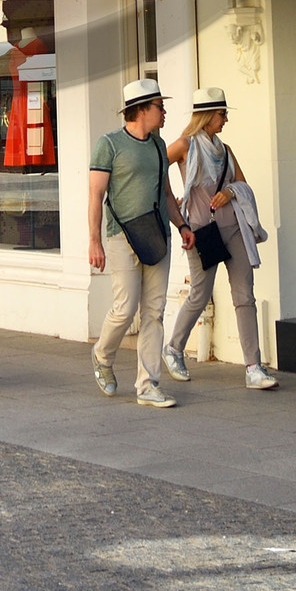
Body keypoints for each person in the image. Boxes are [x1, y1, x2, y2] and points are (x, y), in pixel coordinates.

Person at [88, 79, 194, 408]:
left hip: (157, 234)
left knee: (154, 312)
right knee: (124, 308)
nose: (164, 112)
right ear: (142, 109)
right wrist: (95, 241)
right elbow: (96, 195)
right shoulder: (110, 144)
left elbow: (165, 193)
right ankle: (102, 357)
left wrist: (181, 225)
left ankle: (148, 384)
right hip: (121, 236)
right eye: (159, 106)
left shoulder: (159, 146)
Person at [164, 87, 277, 392]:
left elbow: (241, 182)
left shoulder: (225, 150)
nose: (225, 119)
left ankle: (253, 367)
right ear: (206, 116)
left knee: (244, 296)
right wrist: (172, 205)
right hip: (202, 231)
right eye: (222, 114)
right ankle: (173, 348)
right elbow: (156, 168)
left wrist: (231, 191)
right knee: (200, 295)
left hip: (234, 228)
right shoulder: (185, 145)